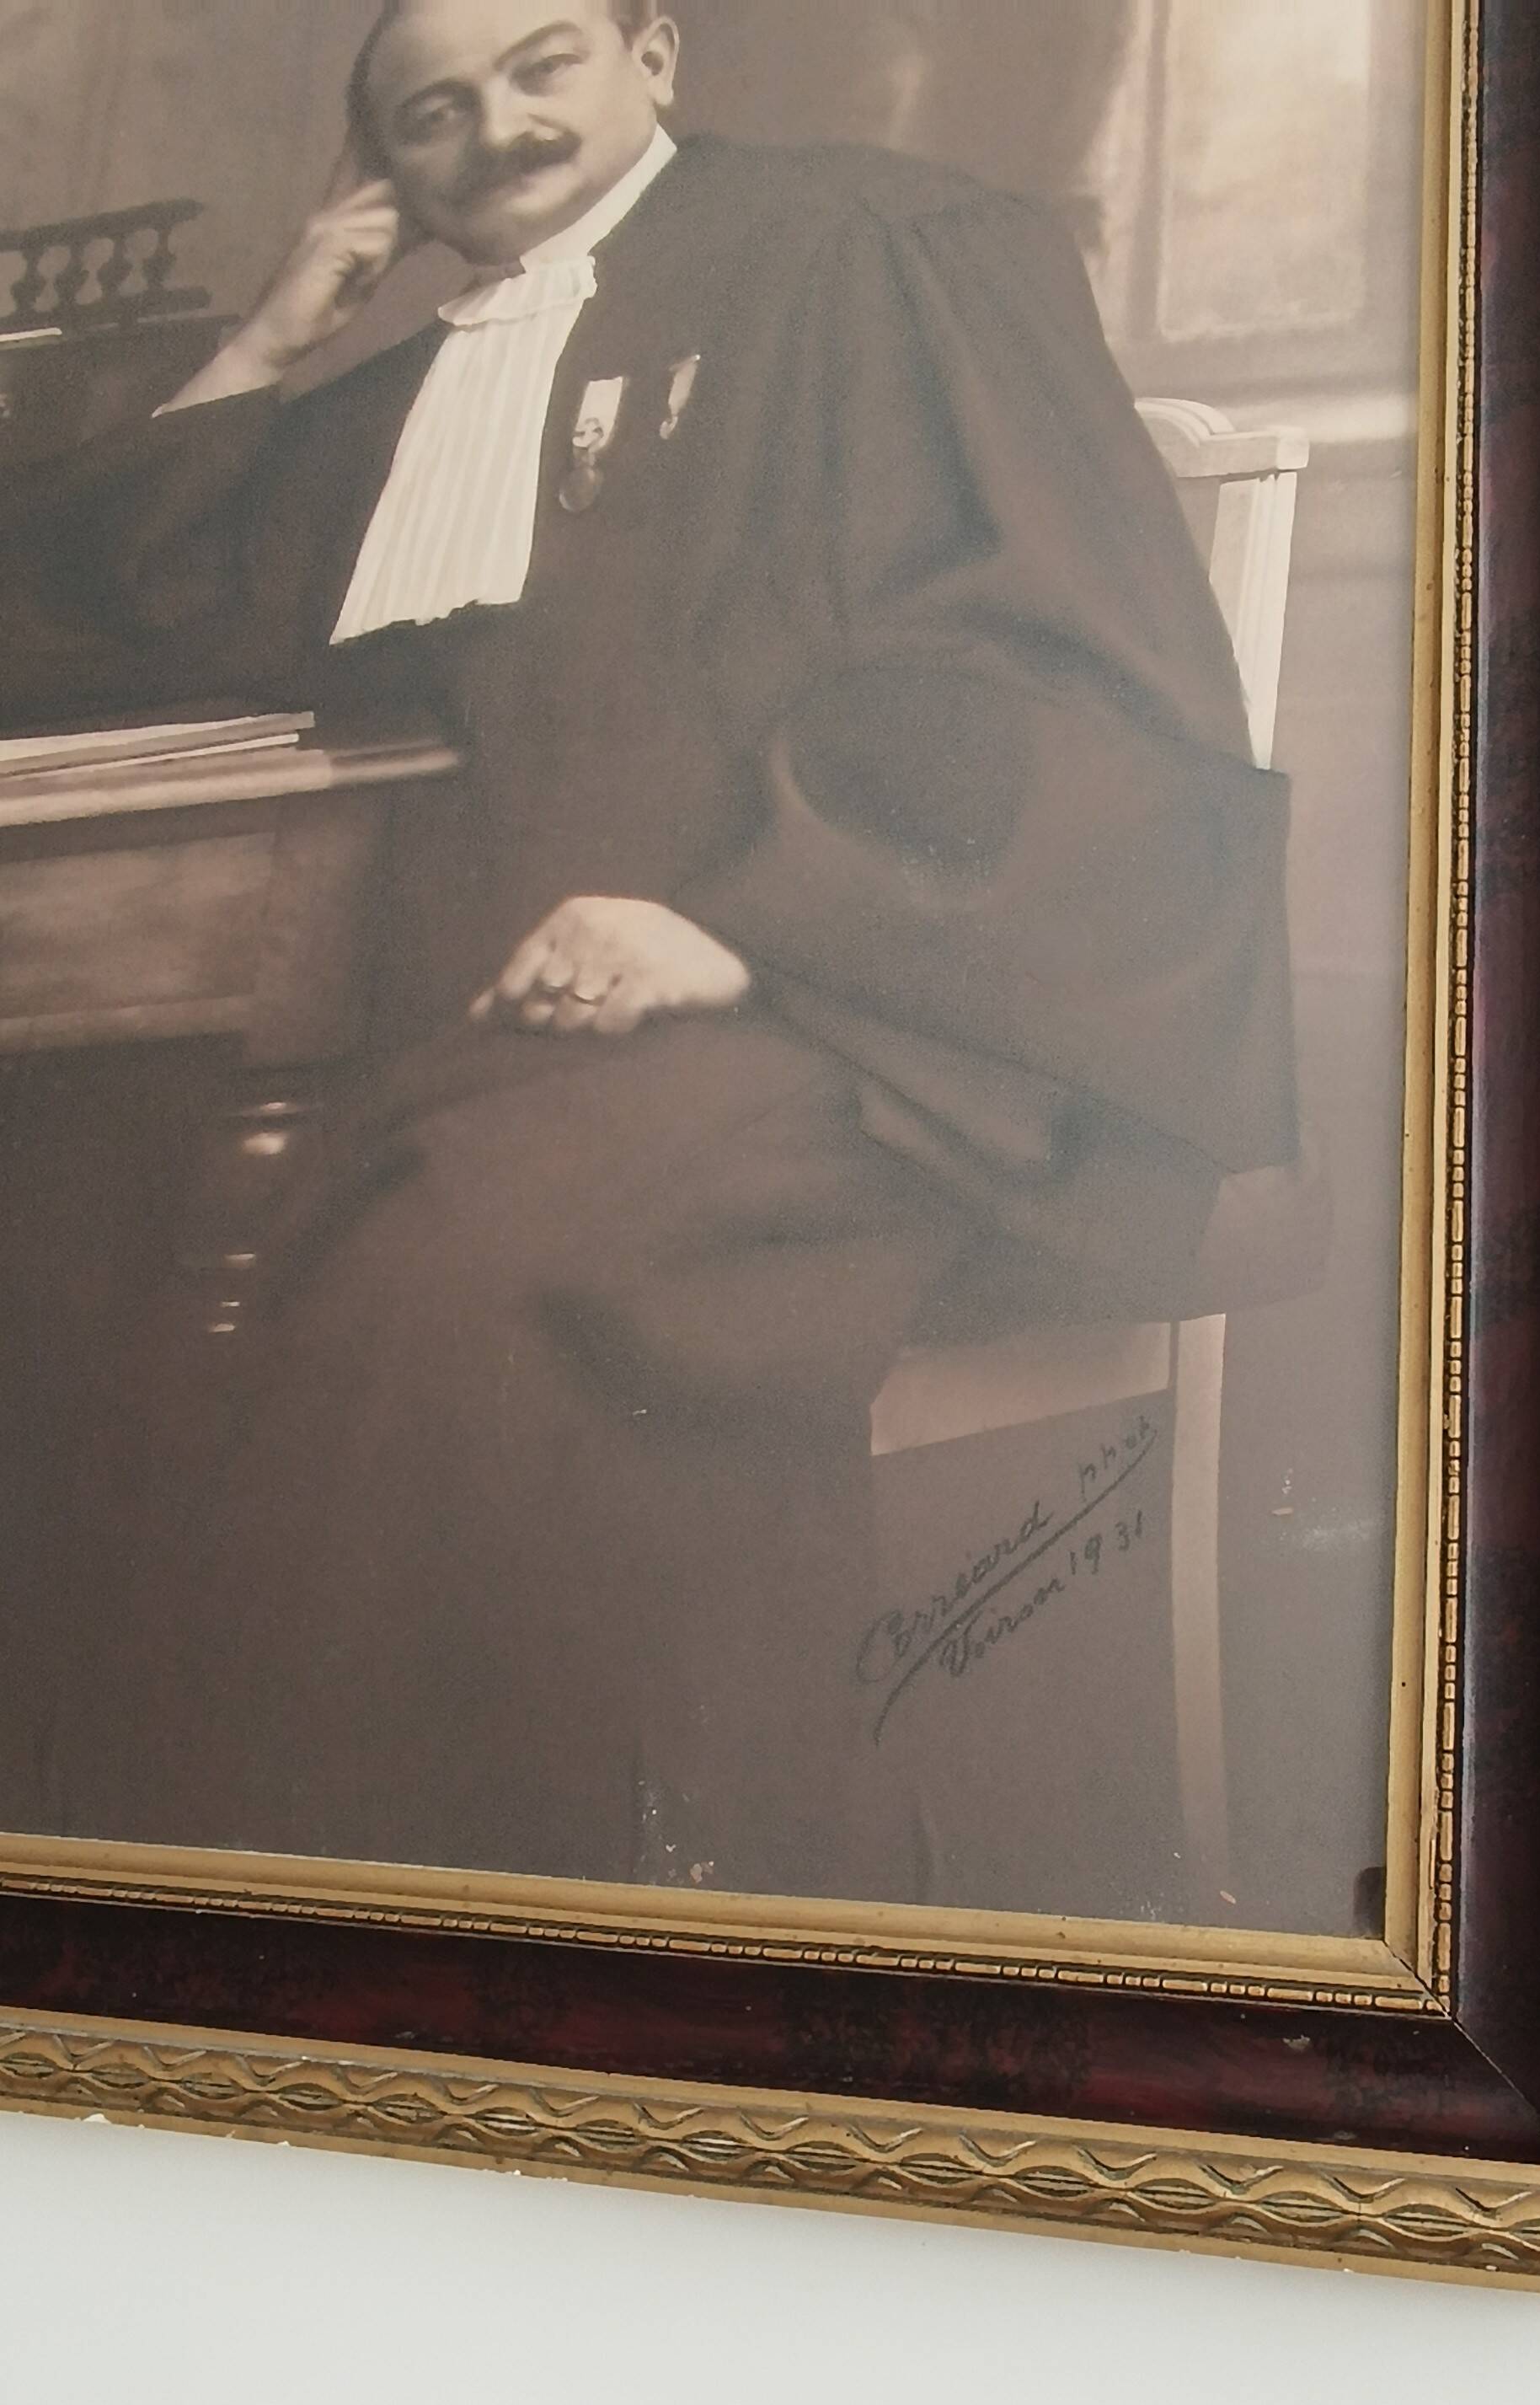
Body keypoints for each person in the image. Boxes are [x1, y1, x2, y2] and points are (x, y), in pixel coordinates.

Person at [20, 0, 1296, 1904]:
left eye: (540, 64)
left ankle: (625, 1933)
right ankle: (343, 1945)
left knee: (465, 1279)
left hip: (896, 1006)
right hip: (523, 1043)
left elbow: (1043, 665)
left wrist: (741, 931)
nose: (496, 130)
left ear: (653, 54)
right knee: (156, 1250)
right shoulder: (421, 392)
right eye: (428, 116)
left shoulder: (869, 251)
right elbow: (97, 595)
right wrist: (291, 319)